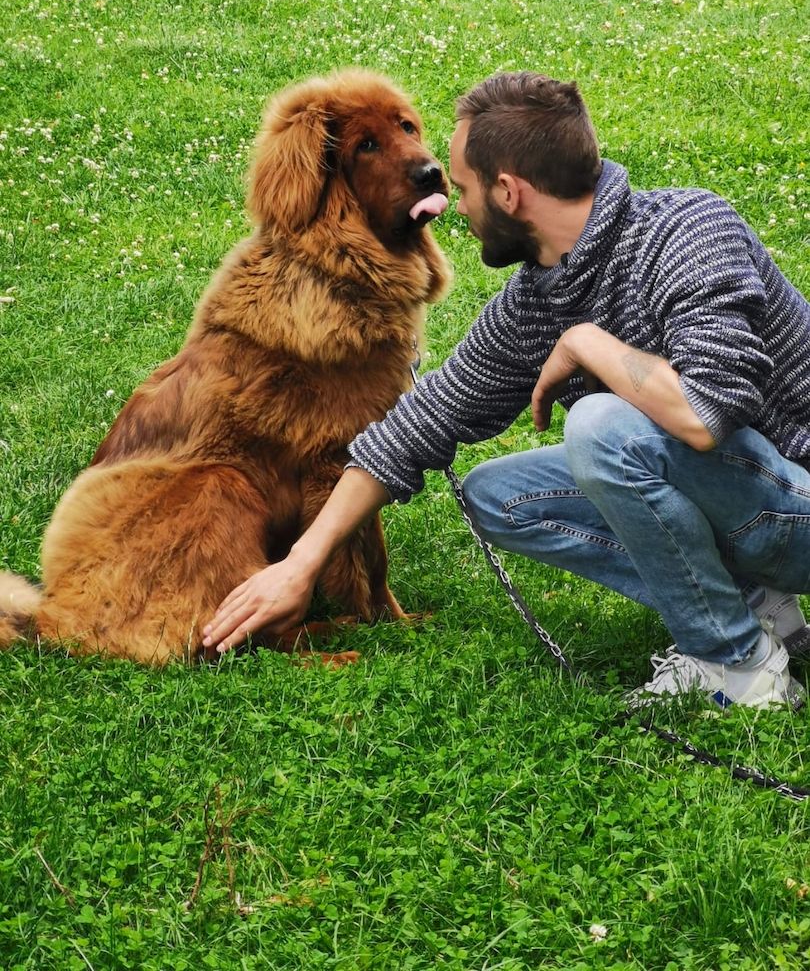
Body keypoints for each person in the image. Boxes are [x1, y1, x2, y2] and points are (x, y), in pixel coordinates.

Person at [203, 71, 810, 710]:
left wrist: (586, 344)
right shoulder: (535, 297)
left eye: (461, 189)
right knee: (500, 496)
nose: (454, 206)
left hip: (798, 495)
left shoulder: (690, 230)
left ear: (509, 191)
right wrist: (298, 566)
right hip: (747, 502)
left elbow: (706, 412)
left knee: (602, 427)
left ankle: (739, 665)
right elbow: (422, 424)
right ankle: (751, 604)